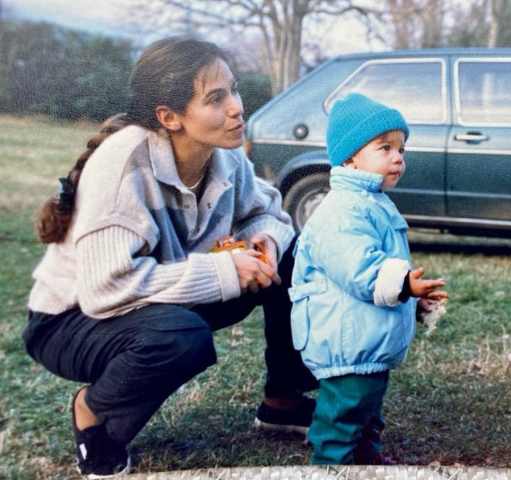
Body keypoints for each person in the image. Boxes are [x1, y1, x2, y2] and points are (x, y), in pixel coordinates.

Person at [23, 36, 316, 478]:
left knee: (295, 256)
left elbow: (268, 214)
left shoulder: (225, 155)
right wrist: (224, 271)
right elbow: (107, 289)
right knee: (182, 336)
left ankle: (283, 400)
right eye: (216, 99)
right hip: (71, 319)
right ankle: (92, 412)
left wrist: (264, 244)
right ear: (169, 117)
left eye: (233, 90)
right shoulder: (124, 165)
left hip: (158, 299)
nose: (236, 107)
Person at [289, 93, 448, 464]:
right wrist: (404, 284)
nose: (398, 158)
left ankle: (367, 465)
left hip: (365, 340)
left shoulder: (371, 201)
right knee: (343, 417)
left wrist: (412, 298)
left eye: (402, 149)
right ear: (350, 157)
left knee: (366, 415)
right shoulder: (341, 211)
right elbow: (358, 267)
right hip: (346, 343)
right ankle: (330, 467)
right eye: (385, 148)